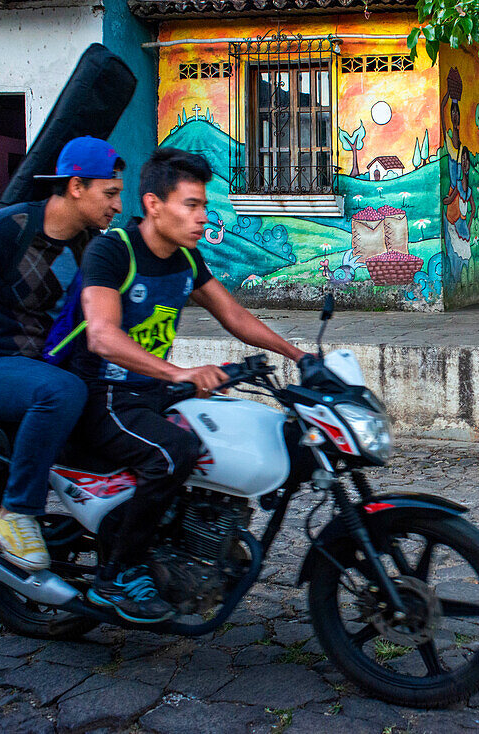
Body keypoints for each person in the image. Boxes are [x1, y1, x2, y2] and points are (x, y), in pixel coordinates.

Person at [73, 147, 309, 622]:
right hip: (106, 392)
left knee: (223, 435)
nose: (203, 216)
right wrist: (180, 372)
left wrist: (299, 355)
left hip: (150, 390)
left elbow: (234, 315)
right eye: (191, 205)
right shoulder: (114, 251)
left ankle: (189, 543)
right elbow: (102, 336)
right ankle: (116, 575)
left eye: (204, 205)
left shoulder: (185, 258)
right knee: (173, 453)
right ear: (154, 204)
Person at [0, 136, 124, 571]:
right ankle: (17, 511)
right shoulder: (3, 231)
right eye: (110, 193)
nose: (118, 206)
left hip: (39, 368)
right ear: (75, 187)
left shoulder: (88, 244)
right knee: (63, 392)